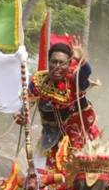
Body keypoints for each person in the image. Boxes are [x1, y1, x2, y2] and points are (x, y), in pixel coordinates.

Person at [22, 39, 100, 167]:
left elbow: (85, 72)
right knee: (39, 178)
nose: (57, 66)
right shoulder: (38, 82)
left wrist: (83, 61)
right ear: (49, 62)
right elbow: (26, 104)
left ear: (69, 65)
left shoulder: (75, 80)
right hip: (51, 140)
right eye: (54, 62)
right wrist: (20, 115)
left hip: (82, 139)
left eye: (62, 63)